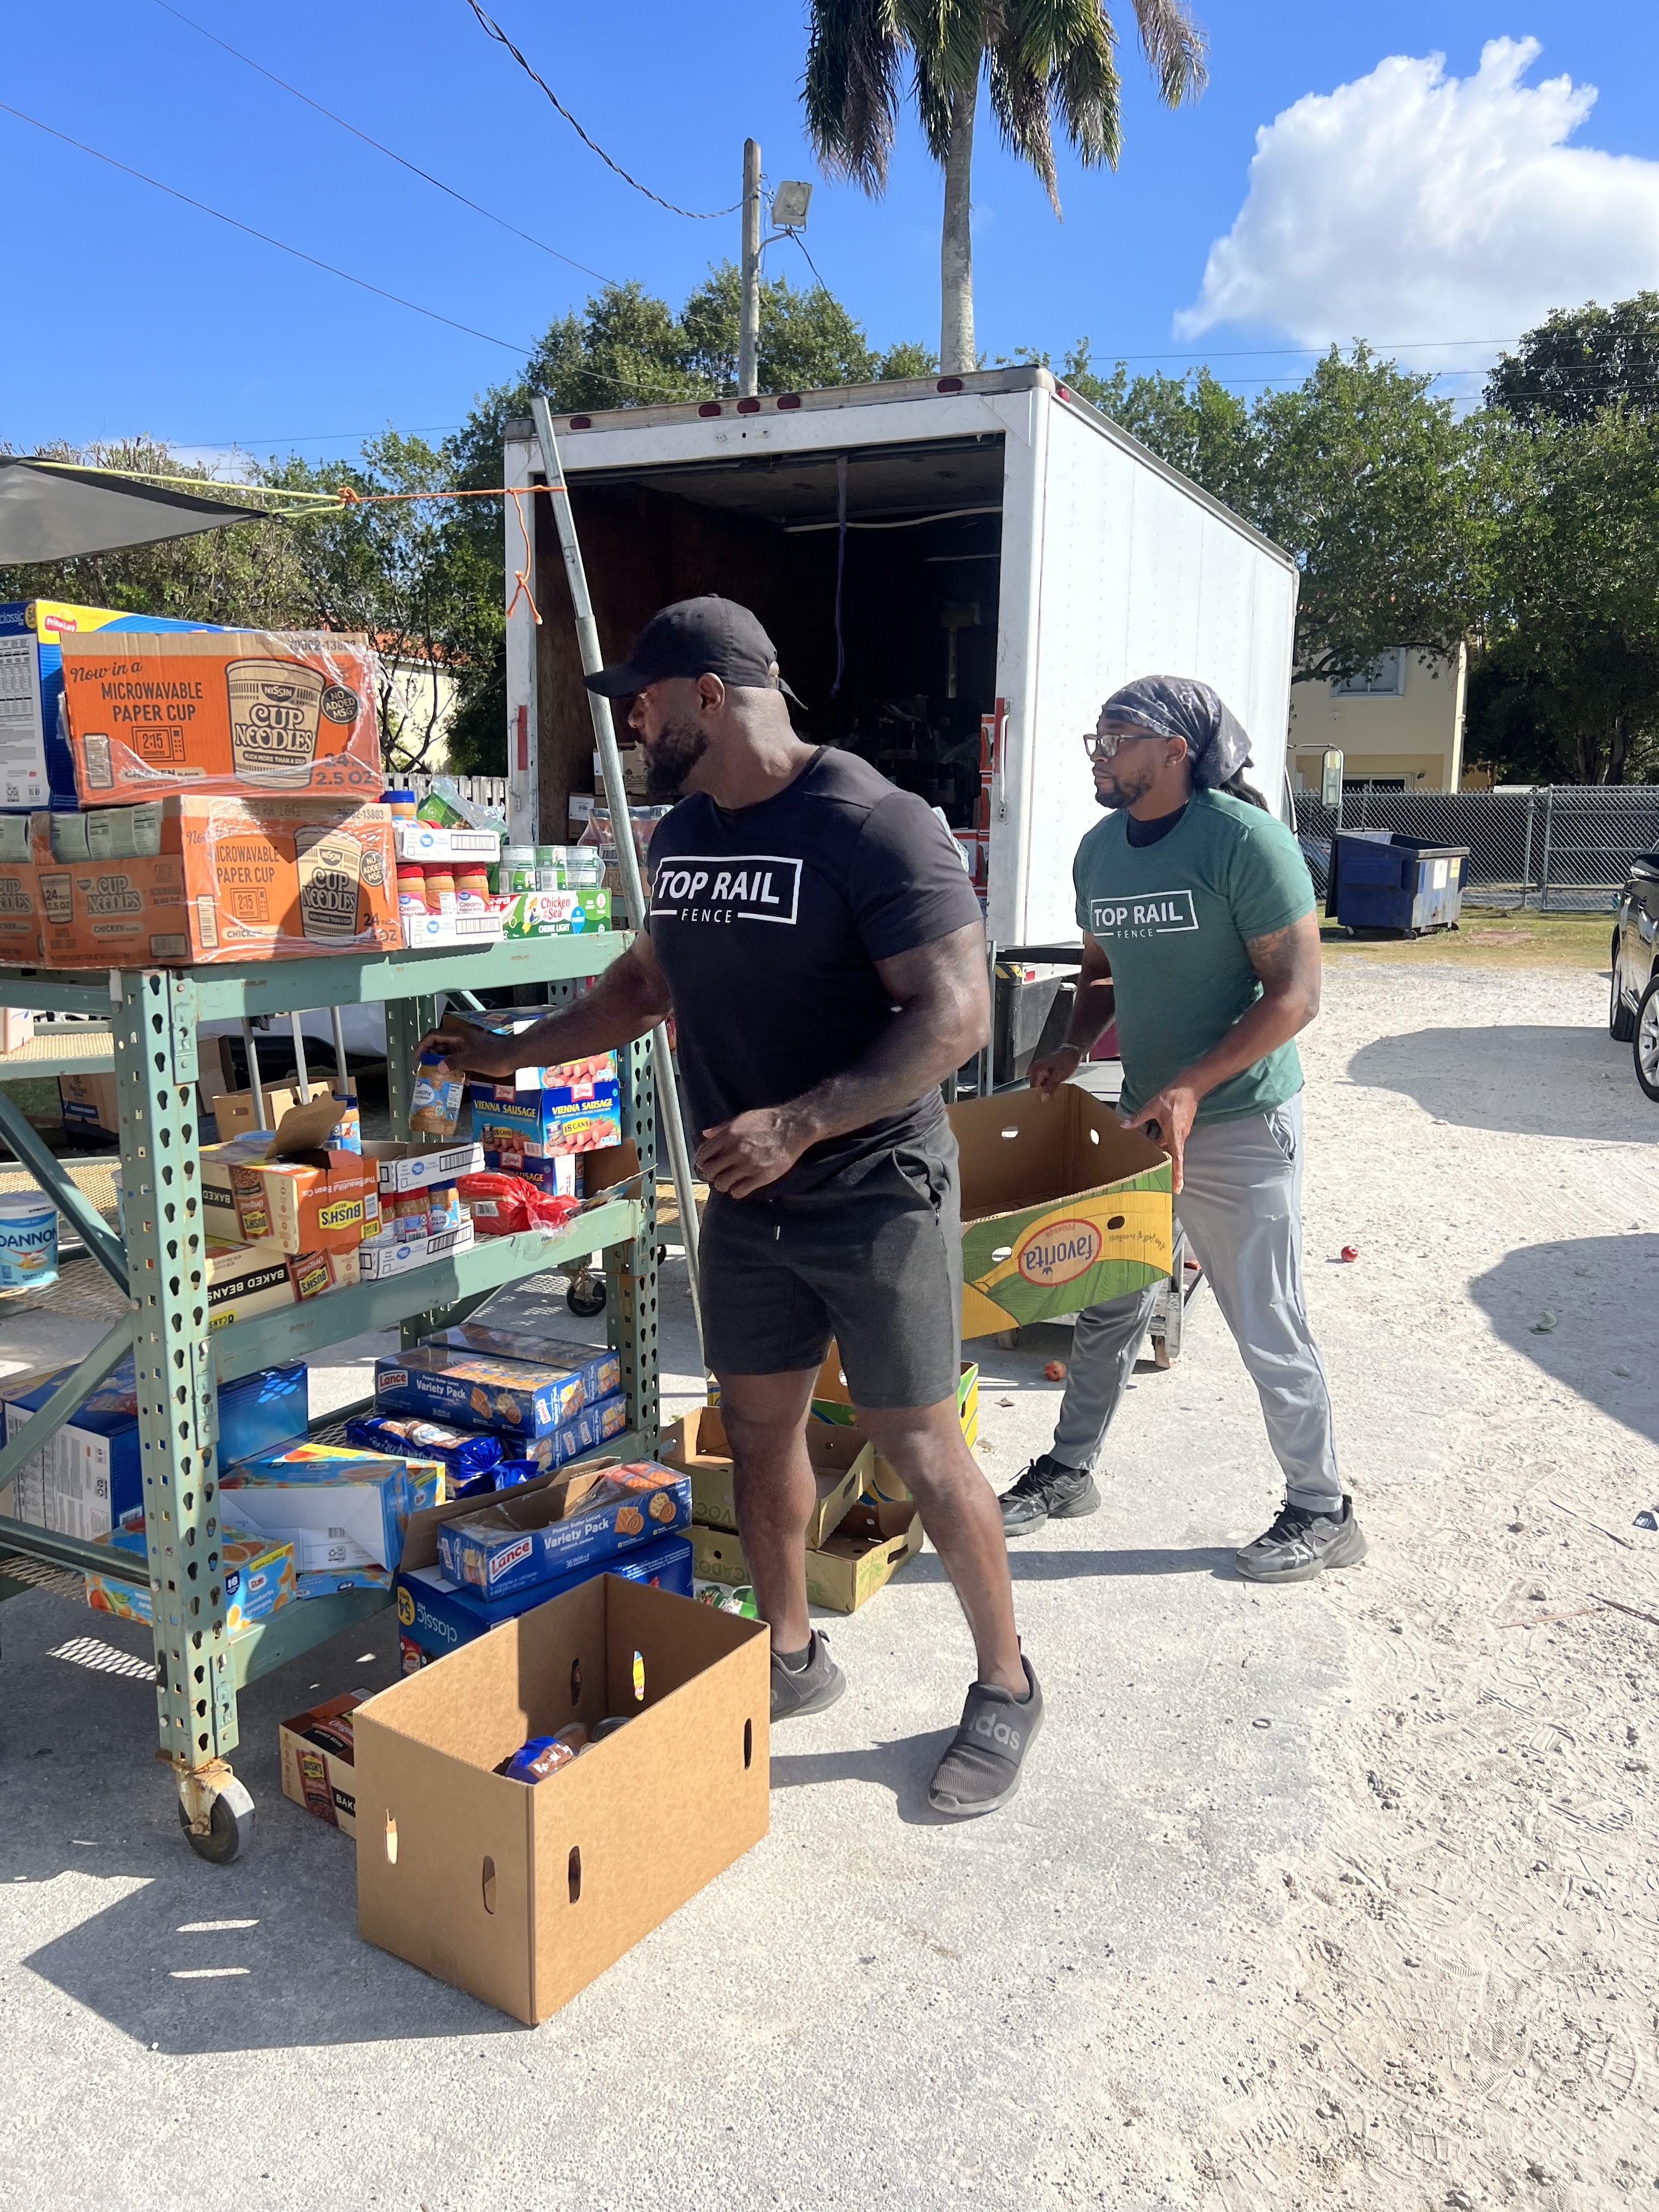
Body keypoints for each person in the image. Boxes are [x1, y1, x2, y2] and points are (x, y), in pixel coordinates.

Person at [422, 596, 1041, 1816]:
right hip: (748, 1203)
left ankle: (1008, 1685)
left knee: (917, 1444)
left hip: (875, 1191)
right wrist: (510, 1053)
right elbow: (646, 984)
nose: (633, 722)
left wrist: (802, 1121)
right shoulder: (687, 832)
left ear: (713, 693)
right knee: (757, 1434)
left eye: (644, 700)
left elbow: (957, 1018)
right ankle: (794, 1654)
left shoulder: (878, 826)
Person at [998, 675, 1365, 1584]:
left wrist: (1196, 1086)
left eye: (1117, 738)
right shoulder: (1099, 853)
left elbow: (1298, 996)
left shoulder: (1245, 844)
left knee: (1264, 1318)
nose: (1100, 754)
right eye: (1098, 736)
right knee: (1109, 1299)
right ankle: (1071, 1469)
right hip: (1147, 1116)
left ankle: (1324, 1508)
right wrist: (1068, 1043)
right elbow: (1100, 975)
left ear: (1175, 753)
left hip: (1238, 1120)